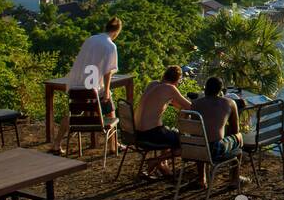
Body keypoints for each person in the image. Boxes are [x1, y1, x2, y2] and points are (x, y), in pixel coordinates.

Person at [52, 18, 121, 154]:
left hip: (79, 84)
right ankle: (113, 145)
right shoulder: (110, 46)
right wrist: (106, 92)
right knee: (110, 111)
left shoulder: (91, 39)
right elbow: (108, 72)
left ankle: (56, 143)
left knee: (72, 113)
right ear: (117, 31)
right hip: (96, 87)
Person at [133, 65, 191, 175]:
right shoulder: (170, 88)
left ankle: (163, 163)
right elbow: (190, 107)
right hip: (151, 134)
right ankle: (156, 161)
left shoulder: (152, 84)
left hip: (136, 133)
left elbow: (174, 103)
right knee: (186, 143)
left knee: (168, 131)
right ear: (178, 79)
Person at [189, 76, 245, 188]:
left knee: (201, 139)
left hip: (194, 148)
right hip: (214, 150)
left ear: (205, 89)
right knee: (239, 137)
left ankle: (201, 179)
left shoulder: (194, 104)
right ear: (221, 91)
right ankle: (234, 178)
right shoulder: (229, 103)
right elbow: (235, 130)